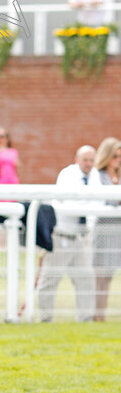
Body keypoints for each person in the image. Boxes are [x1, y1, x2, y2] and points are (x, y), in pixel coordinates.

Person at [37, 146, 100, 323]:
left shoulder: (94, 176)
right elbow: (73, 203)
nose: (88, 164)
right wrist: (90, 205)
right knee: (50, 279)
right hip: (61, 236)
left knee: (85, 278)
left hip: (79, 237)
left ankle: (86, 319)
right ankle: (45, 319)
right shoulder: (67, 174)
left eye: (91, 160)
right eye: (85, 160)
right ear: (76, 159)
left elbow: (98, 201)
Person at [92, 137, 121, 321]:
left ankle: (102, 313)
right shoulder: (98, 175)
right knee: (100, 273)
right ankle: (97, 313)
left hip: (117, 227)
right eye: (115, 156)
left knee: (109, 273)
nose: (118, 160)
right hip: (103, 225)